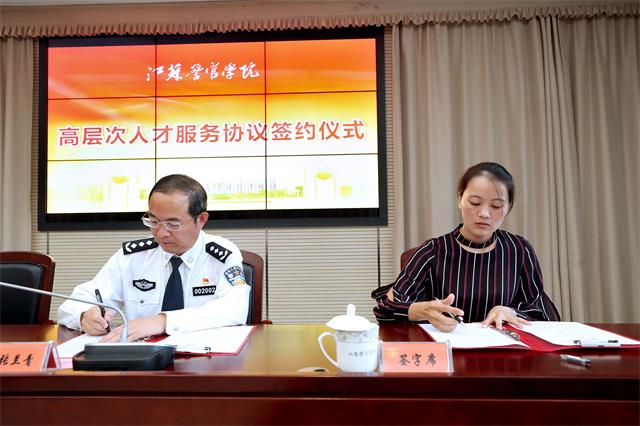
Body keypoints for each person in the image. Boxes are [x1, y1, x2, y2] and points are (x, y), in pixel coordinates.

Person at [58, 174, 250, 341]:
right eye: (154, 221)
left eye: (173, 224)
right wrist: (84, 316)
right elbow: (74, 303)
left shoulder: (221, 255)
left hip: (206, 360)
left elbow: (235, 309)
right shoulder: (134, 257)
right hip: (142, 361)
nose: (161, 233)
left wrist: (163, 321)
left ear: (201, 220)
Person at [372, 162, 560, 332]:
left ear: (509, 207)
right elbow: (385, 310)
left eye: (496, 206)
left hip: (506, 353)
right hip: (447, 352)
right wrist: (422, 310)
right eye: (475, 202)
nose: (484, 213)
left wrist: (511, 312)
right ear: (460, 198)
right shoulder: (432, 251)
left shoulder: (519, 250)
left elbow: (539, 311)